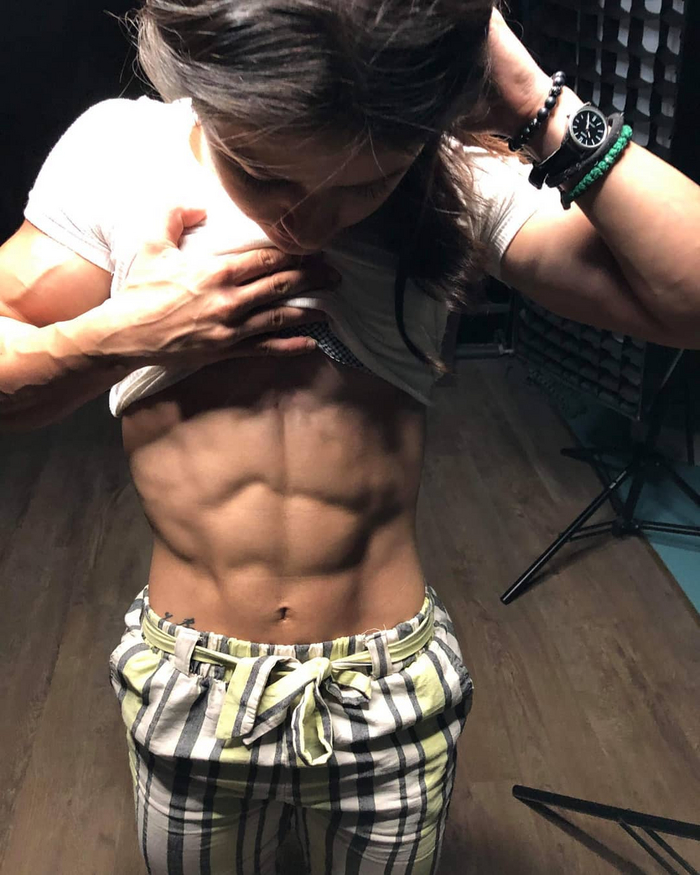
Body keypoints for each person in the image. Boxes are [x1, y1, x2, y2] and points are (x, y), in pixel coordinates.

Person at [1, 1, 699, 872]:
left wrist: (534, 103)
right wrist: (124, 334)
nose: (309, 223)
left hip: (389, 685)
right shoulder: (123, 154)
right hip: (190, 686)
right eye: (265, 176)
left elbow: (686, 301)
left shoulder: (449, 172)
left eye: (361, 186)